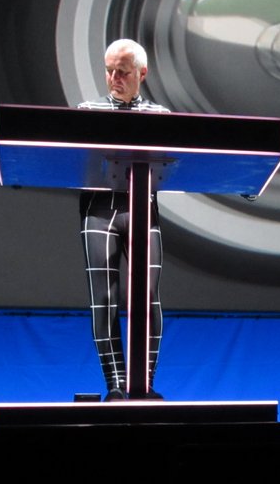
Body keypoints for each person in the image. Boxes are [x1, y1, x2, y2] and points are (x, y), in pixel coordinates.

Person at [78, 39, 169, 401]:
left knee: (148, 296)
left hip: (142, 209)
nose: (114, 78)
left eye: (123, 72)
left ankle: (143, 383)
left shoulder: (159, 116)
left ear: (142, 74)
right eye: (109, 70)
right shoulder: (88, 111)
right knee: (104, 298)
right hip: (99, 211)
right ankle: (116, 385)